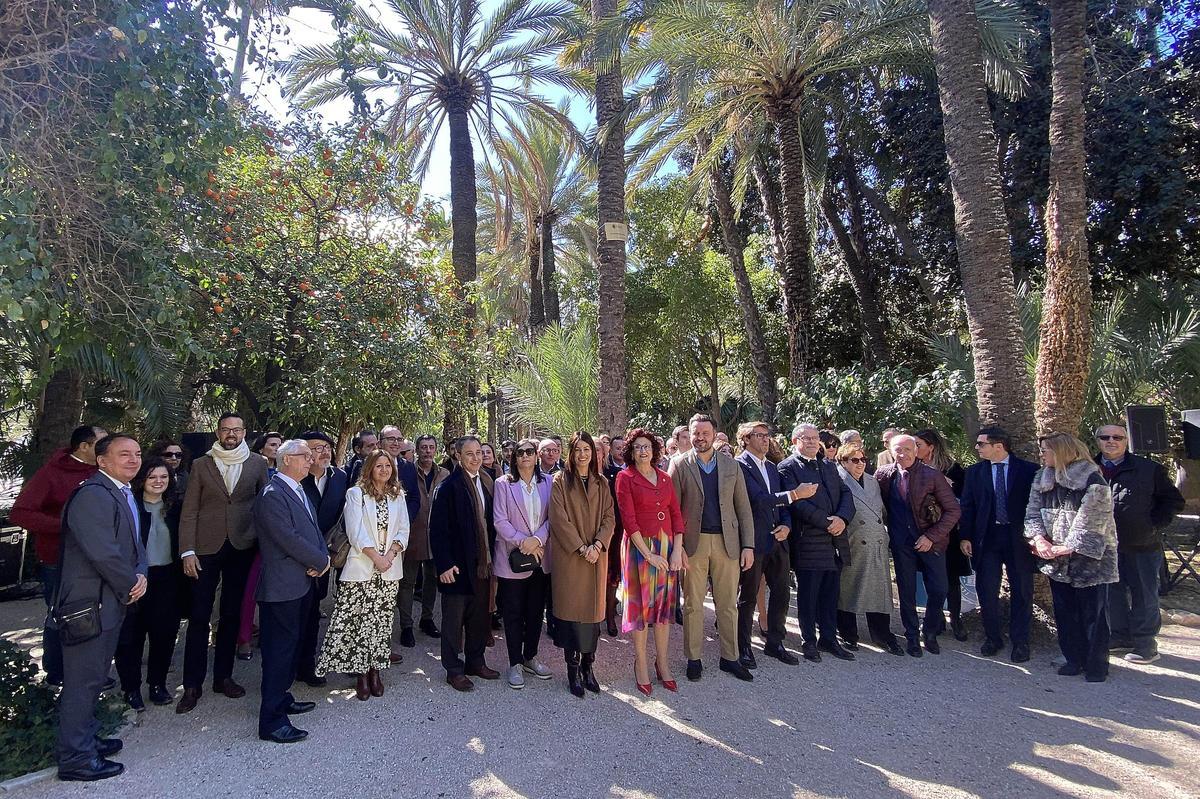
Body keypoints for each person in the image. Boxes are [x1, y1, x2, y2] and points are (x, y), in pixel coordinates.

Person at [53, 433, 147, 782]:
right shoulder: (92, 495)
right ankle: (75, 758)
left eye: (137, 454)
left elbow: (134, 545)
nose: (133, 460)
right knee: (83, 681)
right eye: (124, 454)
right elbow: (104, 552)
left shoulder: (120, 492)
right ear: (101, 460)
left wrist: (141, 574)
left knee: (93, 679)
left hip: (110, 601)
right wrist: (131, 583)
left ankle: (85, 738)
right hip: (89, 604)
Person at [176, 413, 269, 713]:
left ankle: (223, 677)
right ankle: (192, 684)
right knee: (200, 615)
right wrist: (187, 550)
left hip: (242, 545)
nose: (231, 434)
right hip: (205, 547)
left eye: (236, 429)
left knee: (231, 613)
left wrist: (260, 540)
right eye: (226, 430)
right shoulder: (202, 464)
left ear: (244, 432)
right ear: (218, 432)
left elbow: (264, 504)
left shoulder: (257, 463)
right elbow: (189, 510)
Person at [11, 423, 106, 688]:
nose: (108, 446)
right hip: (60, 560)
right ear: (84, 446)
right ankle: (58, 673)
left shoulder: (104, 471)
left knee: (96, 615)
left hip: (98, 558)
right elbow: (20, 513)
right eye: (102, 441)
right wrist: (64, 525)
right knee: (61, 616)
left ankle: (89, 672)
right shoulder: (52, 473)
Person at [669, 414, 756, 682]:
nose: (700, 437)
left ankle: (730, 657)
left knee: (728, 604)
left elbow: (743, 508)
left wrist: (748, 545)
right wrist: (677, 547)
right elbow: (673, 511)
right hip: (693, 544)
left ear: (714, 433)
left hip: (726, 543)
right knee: (693, 604)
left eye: (705, 432)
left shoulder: (731, 465)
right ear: (690, 435)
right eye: (696, 433)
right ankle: (693, 658)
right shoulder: (679, 464)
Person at [1025, 432, 1118, 682]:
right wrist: (1038, 539)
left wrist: (1064, 547)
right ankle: (1073, 658)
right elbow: (1032, 513)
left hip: (1091, 561)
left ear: (1062, 451)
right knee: (1065, 612)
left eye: (1046, 450)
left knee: (1093, 614)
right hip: (1056, 560)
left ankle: (1096, 665)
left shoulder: (1092, 478)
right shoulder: (1041, 478)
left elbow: (1092, 521)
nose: (1042, 454)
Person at [318, 449, 410, 700]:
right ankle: (360, 674)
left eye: (387, 466)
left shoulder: (398, 495)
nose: (384, 470)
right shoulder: (356, 494)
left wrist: (390, 555)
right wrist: (377, 558)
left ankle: (375, 671)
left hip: (389, 569)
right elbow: (355, 531)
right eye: (378, 465)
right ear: (369, 468)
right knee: (359, 623)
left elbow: (404, 529)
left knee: (381, 623)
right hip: (362, 567)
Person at [252, 440, 328, 743]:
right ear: (286, 461)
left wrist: (320, 558)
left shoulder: (296, 488)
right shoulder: (272, 494)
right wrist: (320, 560)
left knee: (290, 646)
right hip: (283, 585)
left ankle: (281, 699)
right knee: (278, 652)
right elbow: (288, 537)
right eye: (305, 456)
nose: (311, 460)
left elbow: (311, 530)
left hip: (302, 581)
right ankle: (271, 722)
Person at [1095, 424, 1185, 665]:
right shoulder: (1088, 469)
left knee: (1144, 595)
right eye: (1105, 437)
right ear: (1097, 441)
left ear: (1126, 441)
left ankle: (1146, 645)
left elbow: (1173, 501)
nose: (1111, 441)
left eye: (1117, 437)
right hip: (1103, 547)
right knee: (1112, 594)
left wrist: (1153, 525)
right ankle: (1120, 637)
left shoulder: (1149, 469)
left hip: (1141, 545)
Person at [735, 422, 814, 668]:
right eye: (759, 435)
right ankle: (744, 646)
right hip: (754, 540)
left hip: (778, 540)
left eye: (767, 435)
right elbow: (758, 501)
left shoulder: (772, 467)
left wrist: (787, 525)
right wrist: (795, 494)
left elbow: (783, 506)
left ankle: (775, 643)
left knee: (781, 593)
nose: (765, 440)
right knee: (748, 596)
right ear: (746, 439)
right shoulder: (739, 466)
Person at [875, 434, 961, 657]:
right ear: (891, 452)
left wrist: (931, 536)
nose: (902, 454)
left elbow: (953, 510)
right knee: (907, 591)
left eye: (907, 449)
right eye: (898, 450)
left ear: (916, 451)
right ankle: (912, 635)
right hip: (902, 542)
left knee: (939, 588)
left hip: (931, 541)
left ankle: (930, 631)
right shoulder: (884, 475)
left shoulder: (932, 475)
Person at [778, 423, 856, 663]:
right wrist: (826, 522)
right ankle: (809, 641)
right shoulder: (787, 468)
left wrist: (842, 519)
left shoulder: (828, 465)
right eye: (806, 438)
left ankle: (829, 638)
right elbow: (796, 503)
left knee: (831, 594)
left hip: (834, 540)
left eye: (814, 438)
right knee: (808, 594)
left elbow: (846, 494)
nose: (812, 442)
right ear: (794, 441)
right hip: (808, 541)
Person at [959, 426, 1038, 662]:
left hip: (1018, 539)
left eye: (981, 444)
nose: (977, 448)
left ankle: (1021, 641)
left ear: (998, 446)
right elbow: (968, 506)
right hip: (987, 538)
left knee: (1022, 590)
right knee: (987, 589)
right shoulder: (974, 472)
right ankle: (993, 637)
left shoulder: (1028, 470)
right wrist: (966, 536)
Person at [616, 429, 683, 695]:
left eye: (647, 447)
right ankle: (641, 662)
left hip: (666, 547)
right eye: (637, 448)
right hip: (639, 548)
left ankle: (662, 662)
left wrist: (676, 550)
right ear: (631, 452)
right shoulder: (625, 478)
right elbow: (628, 520)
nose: (643, 452)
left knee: (664, 608)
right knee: (642, 608)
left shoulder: (665, 478)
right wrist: (648, 554)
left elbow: (676, 514)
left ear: (654, 450)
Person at [548, 431, 615, 697]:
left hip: (596, 558)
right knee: (572, 617)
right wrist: (580, 547)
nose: (583, 455)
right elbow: (559, 519)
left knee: (591, 618)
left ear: (595, 453)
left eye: (587, 449)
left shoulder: (602, 482)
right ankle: (572, 670)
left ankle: (589, 668)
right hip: (571, 558)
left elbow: (610, 517)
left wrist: (597, 545)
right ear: (571, 453)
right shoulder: (560, 482)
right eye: (578, 450)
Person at [430, 436, 499, 692]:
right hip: (456, 567)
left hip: (481, 564)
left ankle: (475, 661)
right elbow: (437, 530)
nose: (476, 457)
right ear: (458, 456)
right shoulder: (448, 487)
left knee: (479, 617)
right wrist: (444, 565)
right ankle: (453, 669)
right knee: (453, 621)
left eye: (479, 452)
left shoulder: (485, 482)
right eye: (469, 453)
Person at [115, 457, 184, 710]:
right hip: (134, 578)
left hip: (167, 578)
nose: (158, 482)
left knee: (164, 635)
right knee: (130, 637)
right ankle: (131, 688)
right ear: (142, 479)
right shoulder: (128, 505)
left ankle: (157, 684)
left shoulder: (176, 507)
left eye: (164, 477)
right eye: (153, 477)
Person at [492, 439, 553, 689]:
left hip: (540, 557)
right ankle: (515, 662)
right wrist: (523, 542)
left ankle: (530, 657)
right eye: (521, 453)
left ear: (536, 456)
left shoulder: (549, 482)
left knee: (536, 612)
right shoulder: (503, 484)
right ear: (513, 458)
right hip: (512, 559)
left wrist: (538, 539)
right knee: (514, 613)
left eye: (530, 452)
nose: (526, 456)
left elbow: (554, 517)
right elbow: (500, 520)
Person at [834, 443, 903, 656]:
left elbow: (881, 510)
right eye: (854, 460)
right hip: (852, 541)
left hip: (877, 543)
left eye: (863, 460)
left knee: (879, 590)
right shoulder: (836, 480)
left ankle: (882, 633)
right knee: (848, 589)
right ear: (843, 462)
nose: (860, 464)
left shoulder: (873, 482)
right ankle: (847, 633)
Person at [295, 430, 350, 687]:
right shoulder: (294, 479)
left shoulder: (340, 477)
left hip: (325, 558)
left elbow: (342, 518)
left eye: (327, 447)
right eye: (318, 448)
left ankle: (307, 664)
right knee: (294, 614)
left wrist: (327, 554)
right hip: (294, 558)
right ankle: (288, 667)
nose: (325, 452)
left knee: (313, 611)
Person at [913, 428, 970, 641]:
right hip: (924, 529)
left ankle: (956, 619)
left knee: (951, 577)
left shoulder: (953, 469)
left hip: (950, 530)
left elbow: (965, 500)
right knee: (930, 576)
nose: (915, 449)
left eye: (919, 444)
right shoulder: (914, 468)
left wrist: (948, 487)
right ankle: (934, 620)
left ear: (931, 446)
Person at [394, 434, 448, 651]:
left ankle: (427, 619)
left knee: (432, 580)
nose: (427, 451)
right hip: (412, 535)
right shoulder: (407, 472)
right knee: (407, 583)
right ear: (416, 450)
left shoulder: (444, 474)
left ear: (436, 450)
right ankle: (406, 625)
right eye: (423, 447)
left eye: (431, 447)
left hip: (437, 536)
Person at [237, 431, 283, 661]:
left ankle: (267, 634)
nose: (276, 448)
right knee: (250, 590)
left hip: (282, 540)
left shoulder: (286, 470)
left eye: (280, 445)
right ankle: (243, 638)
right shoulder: (253, 467)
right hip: (256, 538)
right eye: (272, 444)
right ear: (261, 447)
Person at [602, 434, 626, 636]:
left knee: (616, 575)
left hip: (625, 530)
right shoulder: (605, 472)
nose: (620, 450)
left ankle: (613, 614)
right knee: (606, 574)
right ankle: (604, 614)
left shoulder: (631, 471)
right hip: (606, 530)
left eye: (623, 447)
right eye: (616, 447)